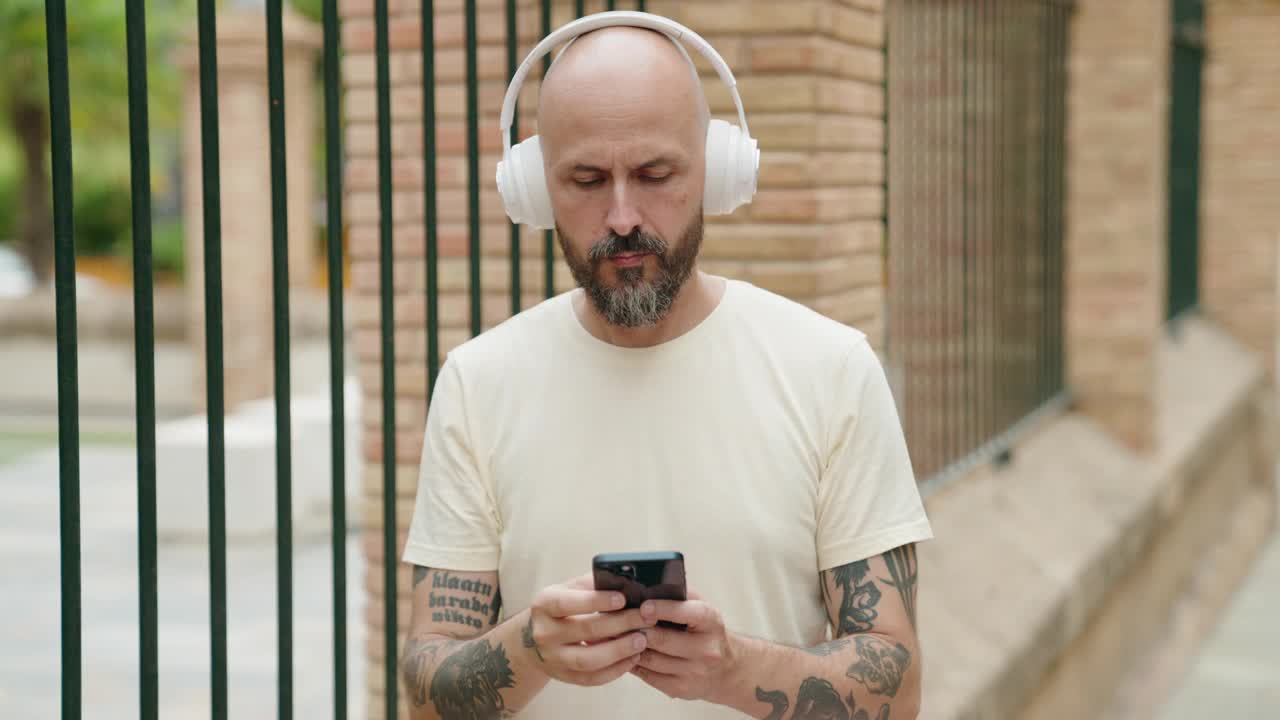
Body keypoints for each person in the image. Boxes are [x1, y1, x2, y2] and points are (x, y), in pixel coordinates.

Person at [399, 12, 933, 720]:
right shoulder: (478, 381)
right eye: (587, 179)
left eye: (655, 174)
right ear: (532, 190)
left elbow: (898, 691)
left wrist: (731, 670)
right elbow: (427, 695)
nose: (623, 215)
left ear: (718, 171)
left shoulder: (831, 370)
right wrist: (529, 648)